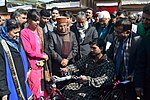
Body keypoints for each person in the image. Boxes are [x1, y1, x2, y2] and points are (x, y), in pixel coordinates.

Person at [107, 18, 141, 100]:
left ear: (128, 32)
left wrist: (133, 74)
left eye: (118, 32)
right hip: (118, 77)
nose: (115, 34)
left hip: (131, 79)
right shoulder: (116, 39)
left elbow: (141, 62)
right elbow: (110, 55)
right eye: (115, 31)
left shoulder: (137, 41)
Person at [20, 9, 50, 99]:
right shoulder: (24, 32)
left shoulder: (39, 31)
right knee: (34, 88)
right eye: (35, 20)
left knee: (42, 89)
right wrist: (42, 56)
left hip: (41, 64)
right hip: (32, 65)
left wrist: (43, 58)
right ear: (29, 20)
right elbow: (28, 50)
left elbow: (42, 48)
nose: (37, 22)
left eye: (38, 20)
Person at [0, 19, 32, 100]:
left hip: (22, 80)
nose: (17, 35)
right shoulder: (2, 46)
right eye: (15, 33)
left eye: (18, 32)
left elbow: (23, 55)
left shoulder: (17, 41)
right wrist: (3, 91)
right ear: (7, 31)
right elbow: (1, 71)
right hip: (10, 84)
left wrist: (28, 67)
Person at [134, 3, 150, 100]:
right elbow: (140, 63)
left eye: (148, 19)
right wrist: (138, 84)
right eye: (143, 18)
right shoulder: (145, 39)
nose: (144, 21)